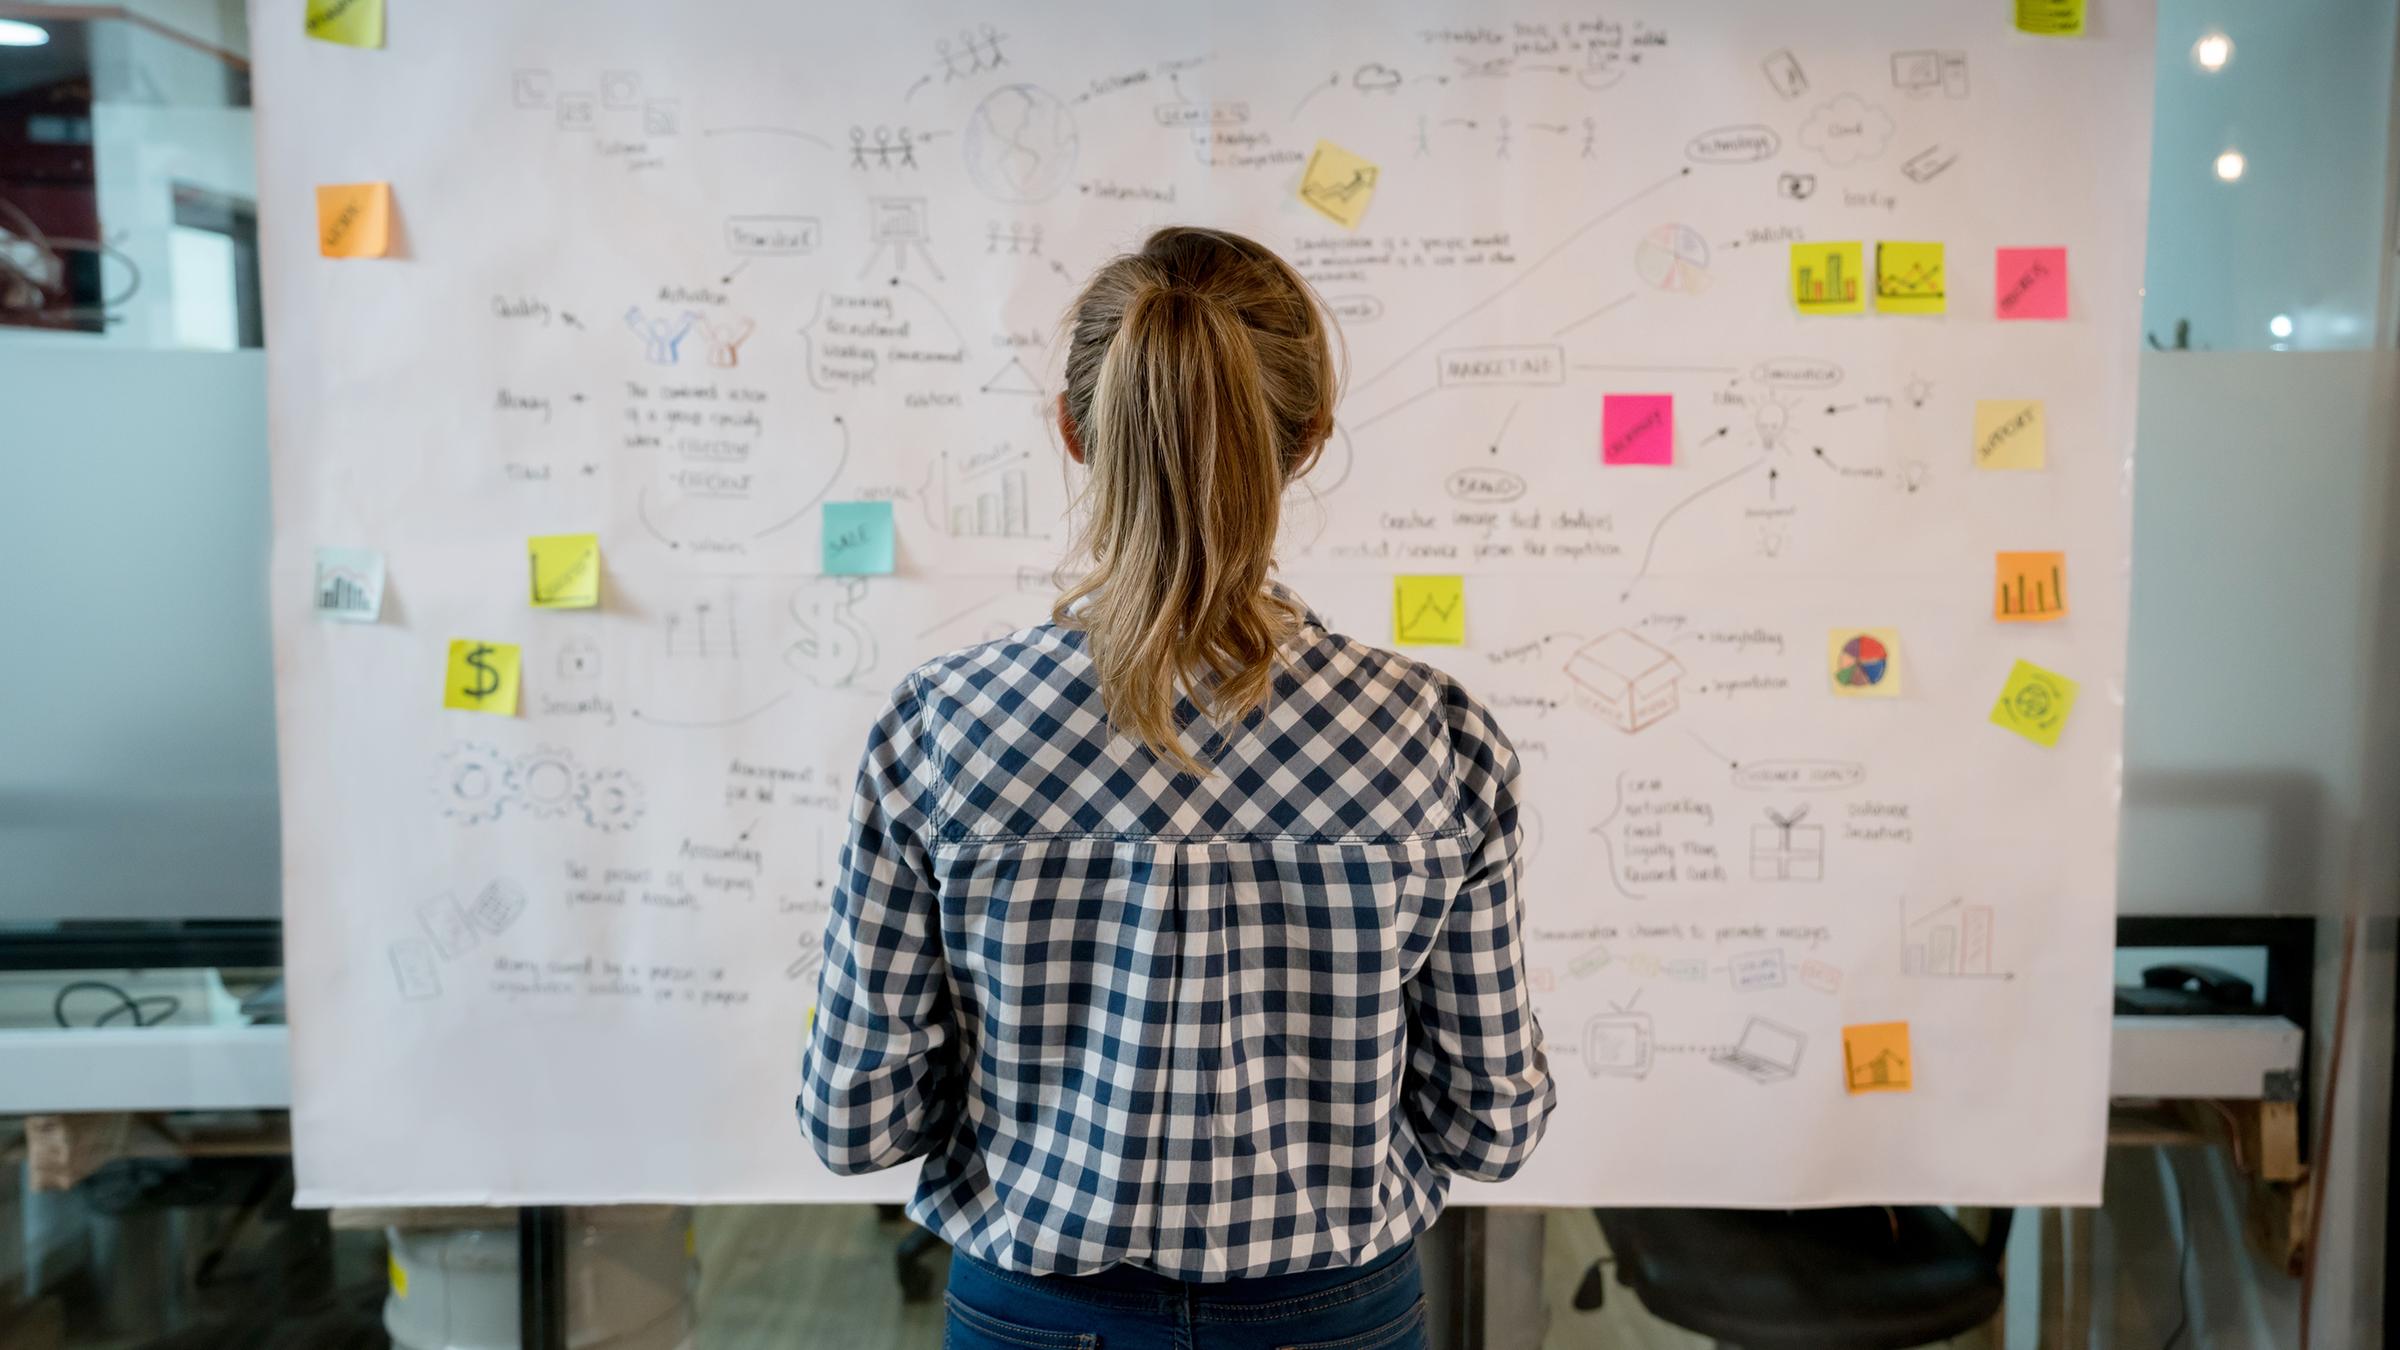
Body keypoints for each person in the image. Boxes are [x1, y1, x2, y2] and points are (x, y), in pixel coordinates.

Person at [799, 226, 1554, 1350]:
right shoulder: (1432, 734)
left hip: (1035, 1316)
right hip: (1334, 1317)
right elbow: (1491, 1126)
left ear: (1073, 431)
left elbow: (855, 1123)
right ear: (1305, 444)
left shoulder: (941, 727)